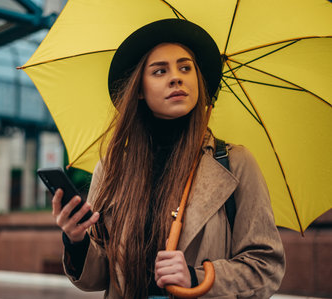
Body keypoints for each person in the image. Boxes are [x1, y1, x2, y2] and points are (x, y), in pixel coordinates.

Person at [52, 19, 285, 298]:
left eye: (185, 68)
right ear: (138, 90)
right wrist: (76, 241)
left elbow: (265, 267)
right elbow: (99, 277)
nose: (176, 77)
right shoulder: (113, 167)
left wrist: (197, 276)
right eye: (160, 71)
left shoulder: (236, 163)